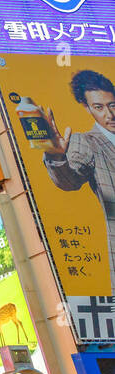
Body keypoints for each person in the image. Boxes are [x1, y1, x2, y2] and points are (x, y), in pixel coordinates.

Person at [42, 69, 115, 286]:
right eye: (98, 107)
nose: (109, 115)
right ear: (87, 108)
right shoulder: (87, 143)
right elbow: (70, 179)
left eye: (112, 105)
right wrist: (56, 157)